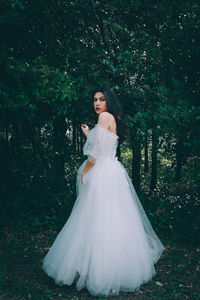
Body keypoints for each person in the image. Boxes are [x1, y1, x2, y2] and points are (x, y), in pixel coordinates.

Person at [42, 87, 164, 297]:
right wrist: (89, 133)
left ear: (109, 102)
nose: (97, 103)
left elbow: (96, 154)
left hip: (101, 172)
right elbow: (104, 144)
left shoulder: (104, 117)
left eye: (102, 99)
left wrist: (85, 172)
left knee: (94, 218)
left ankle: (95, 270)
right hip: (113, 172)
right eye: (95, 100)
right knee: (112, 218)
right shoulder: (111, 118)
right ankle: (115, 267)